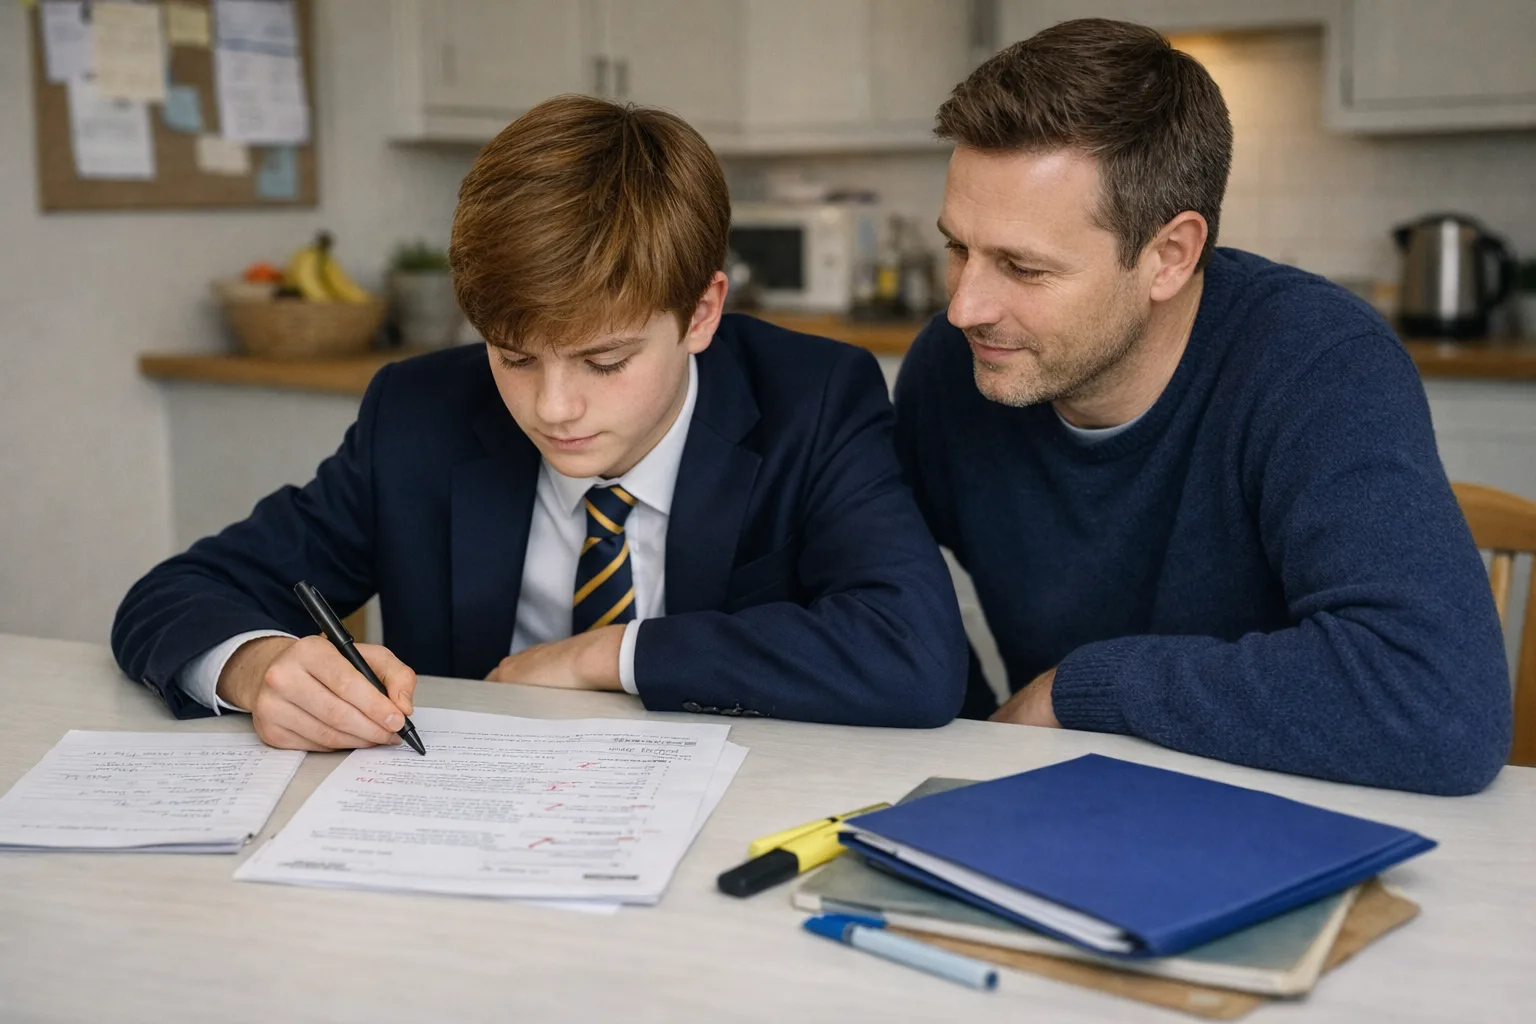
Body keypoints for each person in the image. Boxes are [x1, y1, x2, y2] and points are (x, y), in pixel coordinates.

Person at [113, 95, 967, 751]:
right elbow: (171, 598)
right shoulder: (421, 414)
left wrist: (607, 655)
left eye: (605, 363)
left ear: (703, 313)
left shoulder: (812, 399)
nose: (552, 409)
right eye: (514, 357)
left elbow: (916, 656)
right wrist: (259, 667)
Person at [893, 19, 1512, 795]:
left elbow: (1442, 710)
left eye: (1022, 266)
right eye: (958, 247)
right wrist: (983, 744)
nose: (966, 306)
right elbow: (877, 599)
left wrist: (1077, 691)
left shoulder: (1315, 363)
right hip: (1062, 802)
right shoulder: (951, 369)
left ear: (1169, 257)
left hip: (1288, 808)